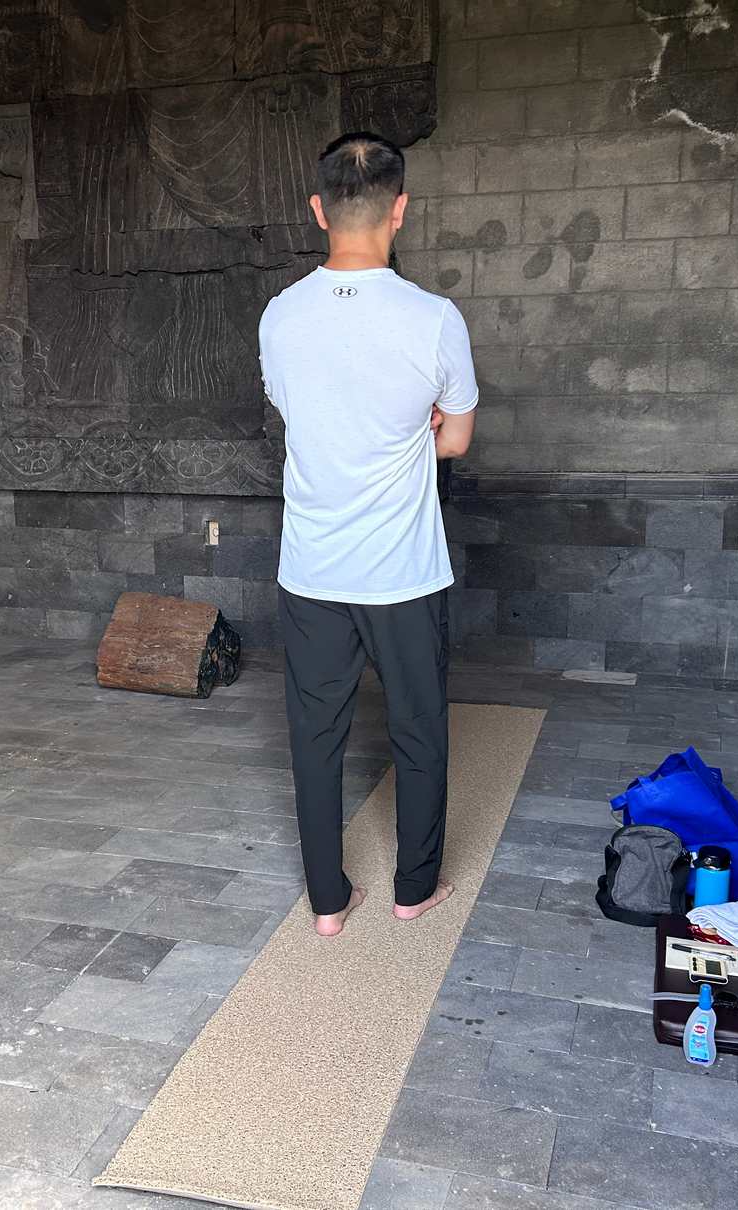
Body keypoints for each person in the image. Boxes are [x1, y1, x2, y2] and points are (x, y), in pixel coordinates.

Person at [258, 132, 479, 938]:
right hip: (402, 573)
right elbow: (454, 440)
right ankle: (413, 890)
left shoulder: (280, 315)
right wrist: (418, 428)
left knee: (314, 738)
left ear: (318, 211)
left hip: (312, 568)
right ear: (400, 210)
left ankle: (327, 902)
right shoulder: (434, 318)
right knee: (418, 731)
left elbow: (298, 414)